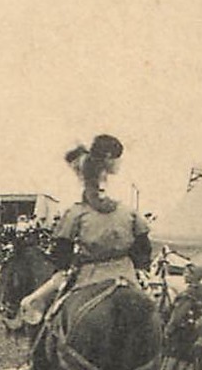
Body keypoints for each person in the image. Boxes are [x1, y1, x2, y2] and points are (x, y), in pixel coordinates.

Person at [17, 135, 150, 326]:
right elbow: (142, 242)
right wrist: (141, 267)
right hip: (126, 272)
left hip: (90, 274)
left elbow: (62, 249)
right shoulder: (126, 201)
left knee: (51, 314)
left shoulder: (79, 205)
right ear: (110, 158)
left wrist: (63, 268)